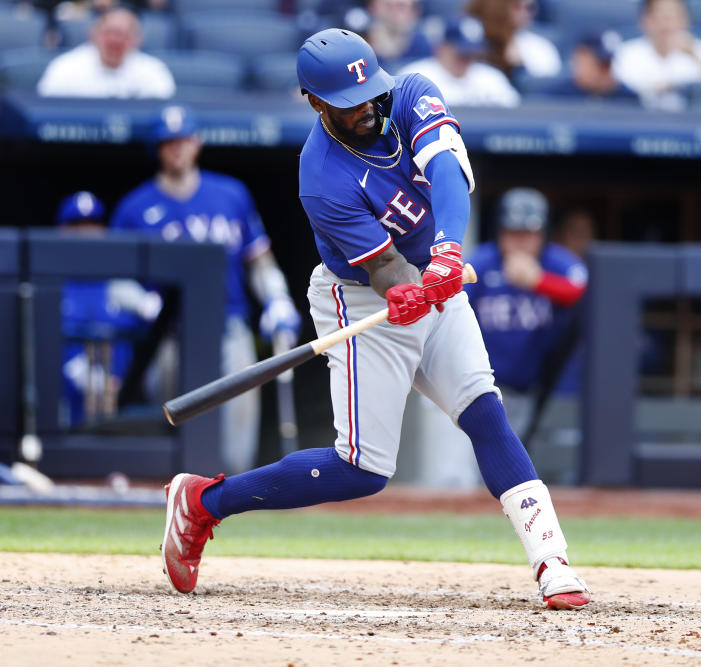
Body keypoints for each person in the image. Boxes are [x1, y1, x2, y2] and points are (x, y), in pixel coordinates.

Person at [159, 28, 590, 611]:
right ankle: (204, 503)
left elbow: (449, 176)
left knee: (485, 413)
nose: (366, 110)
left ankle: (551, 561)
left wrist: (446, 254)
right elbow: (385, 268)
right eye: (347, 103)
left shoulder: (411, 92)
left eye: (369, 94)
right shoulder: (321, 176)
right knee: (362, 470)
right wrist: (408, 290)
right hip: (361, 299)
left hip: (436, 272)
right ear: (314, 102)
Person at [111, 104, 301, 474]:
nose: (177, 149)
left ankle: (233, 506)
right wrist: (142, 303)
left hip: (228, 325)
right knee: (176, 431)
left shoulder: (230, 194)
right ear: (158, 149)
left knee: (236, 435)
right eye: (168, 143)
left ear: (197, 143)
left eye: (183, 140)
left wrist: (277, 298)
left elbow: (258, 261)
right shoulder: (136, 206)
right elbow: (116, 281)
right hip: (168, 335)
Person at [463, 188, 588, 438]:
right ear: (500, 233)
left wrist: (538, 281)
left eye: (529, 233)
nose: (521, 241)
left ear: (543, 234)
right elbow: (453, 298)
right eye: (513, 233)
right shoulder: (483, 261)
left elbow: (582, 289)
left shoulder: (555, 262)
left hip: (539, 388)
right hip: (482, 386)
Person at [56, 191, 162, 427]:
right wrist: (85, 376)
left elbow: (157, 326)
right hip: (64, 409)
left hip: (124, 406)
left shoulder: (120, 285)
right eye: (76, 226)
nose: (85, 234)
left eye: (92, 225)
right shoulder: (51, 286)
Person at [36, 5, 175, 99]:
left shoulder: (153, 71)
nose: (115, 40)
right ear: (93, 35)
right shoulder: (65, 68)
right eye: (108, 32)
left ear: (137, 40)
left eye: (123, 34)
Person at [611, 0, 701, 112]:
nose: (668, 25)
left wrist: (694, 56)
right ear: (645, 20)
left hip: (691, 123)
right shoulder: (628, 53)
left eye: (674, 17)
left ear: (686, 20)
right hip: (640, 121)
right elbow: (624, 92)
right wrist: (670, 86)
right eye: (661, 17)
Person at [400, 16, 520, 108]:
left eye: (472, 53)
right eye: (462, 53)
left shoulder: (491, 78)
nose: (467, 58)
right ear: (441, 47)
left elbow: (514, 114)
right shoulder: (415, 78)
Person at [465, 0, 562, 80]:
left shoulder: (540, 47)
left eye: (529, 8)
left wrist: (518, 68)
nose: (524, 13)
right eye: (516, 6)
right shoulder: (469, 36)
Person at [532, 31, 636, 102]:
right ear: (580, 58)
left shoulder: (628, 98)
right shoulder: (554, 98)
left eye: (609, 64)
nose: (606, 71)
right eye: (601, 64)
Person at [345, 0, 433, 72]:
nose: (396, 13)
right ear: (374, 7)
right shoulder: (362, 43)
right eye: (389, 7)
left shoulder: (421, 44)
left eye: (401, 7)